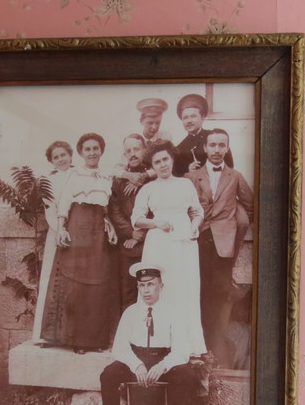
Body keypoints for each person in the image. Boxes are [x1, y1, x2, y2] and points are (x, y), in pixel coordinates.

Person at [96, 263, 202, 405]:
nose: (146, 290)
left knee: (188, 376)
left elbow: (181, 350)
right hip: (135, 360)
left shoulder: (172, 312)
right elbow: (119, 348)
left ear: (161, 286)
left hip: (162, 360)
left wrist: (163, 365)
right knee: (108, 375)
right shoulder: (130, 312)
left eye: (151, 284)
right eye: (142, 285)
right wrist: (136, 364)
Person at [40, 132, 119, 353]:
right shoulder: (74, 174)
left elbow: (105, 208)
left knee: (97, 285)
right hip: (77, 227)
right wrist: (61, 228)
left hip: (98, 233)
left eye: (96, 148)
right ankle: (75, 340)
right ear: (81, 153)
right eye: (87, 149)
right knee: (76, 285)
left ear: (101, 151)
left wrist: (110, 226)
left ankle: (94, 341)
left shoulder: (106, 176)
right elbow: (65, 203)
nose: (92, 153)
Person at [131, 140, 206, 357]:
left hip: (184, 243)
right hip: (159, 244)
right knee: (161, 288)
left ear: (172, 159)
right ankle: (157, 343)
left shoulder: (185, 184)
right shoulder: (148, 188)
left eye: (165, 159)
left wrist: (194, 226)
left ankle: (187, 346)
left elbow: (197, 211)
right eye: (157, 162)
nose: (163, 164)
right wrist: (156, 223)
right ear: (152, 166)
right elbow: (136, 219)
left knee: (185, 289)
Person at [187, 128, 253, 369]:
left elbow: (250, 205)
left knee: (220, 297)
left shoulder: (235, 176)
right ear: (205, 148)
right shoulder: (191, 177)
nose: (216, 150)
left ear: (227, 148)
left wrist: (233, 224)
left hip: (223, 245)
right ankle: (196, 348)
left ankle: (215, 350)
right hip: (197, 242)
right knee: (196, 294)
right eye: (212, 145)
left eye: (221, 145)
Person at [33, 140, 75, 341]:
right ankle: (47, 334)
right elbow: (50, 210)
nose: (60, 159)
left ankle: (72, 333)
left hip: (80, 231)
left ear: (70, 155)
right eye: (56, 157)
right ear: (51, 161)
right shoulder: (48, 181)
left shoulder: (79, 174)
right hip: (57, 231)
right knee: (53, 279)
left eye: (63, 155)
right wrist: (60, 230)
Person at [108, 134, 150, 311]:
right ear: (124, 154)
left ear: (144, 150)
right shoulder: (118, 180)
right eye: (128, 151)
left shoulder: (153, 176)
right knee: (128, 292)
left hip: (152, 242)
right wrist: (131, 232)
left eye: (137, 149)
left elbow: (159, 209)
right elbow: (115, 210)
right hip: (128, 244)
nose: (133, 154)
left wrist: (141, 234)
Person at [172, 93, 233, 177]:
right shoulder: (179, 149)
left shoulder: (215, 137)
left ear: (202, 117)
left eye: (193, 116)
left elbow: (230, 167)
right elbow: (177, 176)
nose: (189, 121)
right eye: (185, 118)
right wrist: (188, 171)